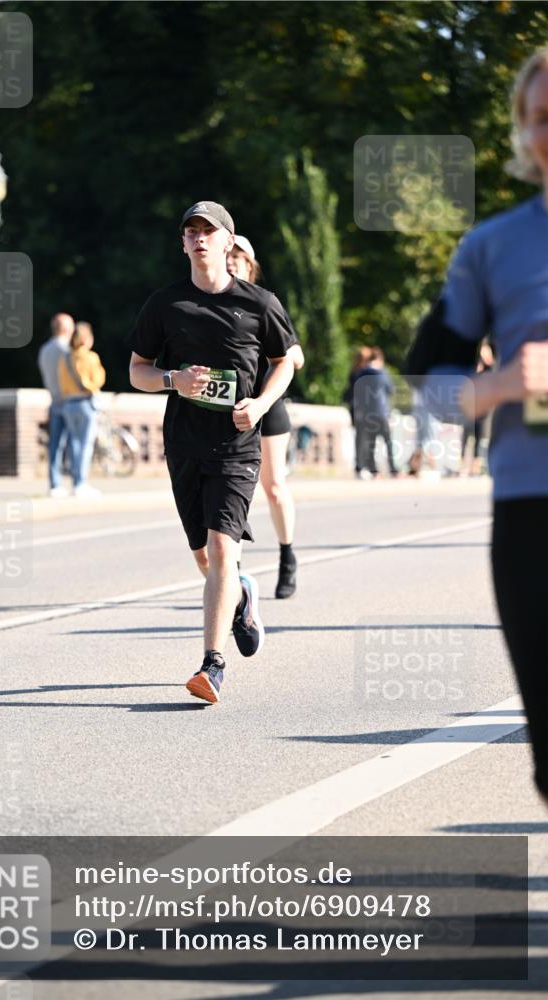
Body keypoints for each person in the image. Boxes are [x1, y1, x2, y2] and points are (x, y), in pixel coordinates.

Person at [409, 48, 548, 802]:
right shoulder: (489, 248)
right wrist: (499, 385)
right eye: (539, 118)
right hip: (531, 513)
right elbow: (428, 394)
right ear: (523, 137)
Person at [129, 201, 297, 704]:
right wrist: (171, 380)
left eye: (209, 231)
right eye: (191, 231)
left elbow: (284, 362)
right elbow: (136, 370)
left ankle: (212, 665)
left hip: (237, 446)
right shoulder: (165, 305)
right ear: (183, 243)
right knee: (204, 556)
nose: (200, 238)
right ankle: (243, 596)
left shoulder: (259, 303)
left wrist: (262, 403)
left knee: (224, 549)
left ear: (229, 242)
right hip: (183, 443)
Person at [226, 235, 305, 598]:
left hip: (268, 404)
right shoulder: (212, 304)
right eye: (228, 256)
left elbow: (295, 355)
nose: (232, 262)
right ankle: (233, 574)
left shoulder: (264, 303)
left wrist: (286, 356)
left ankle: (287, 556)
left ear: (250, 266)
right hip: (231, 408)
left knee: (272, 487)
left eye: (239, 258)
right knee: (230, 493)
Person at [58, 321, 106, 498]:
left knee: (73, 444)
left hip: (68, 404)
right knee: (85, 445)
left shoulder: (65, 358)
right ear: (86, 338)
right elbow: (98, 380)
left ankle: (75, 482)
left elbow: (61, 382)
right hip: (85, 403)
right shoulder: (90, 357)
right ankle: (81, 483)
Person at [38, 313, 74, 497]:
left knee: (55, 445)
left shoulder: (45, 349)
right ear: (66, 329)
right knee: (74, 444)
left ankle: (55, 484)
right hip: (70, 400)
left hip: (54, 400)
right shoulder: (66, 350)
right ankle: (77, 482)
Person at [352, 347, 398, 478]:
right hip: (382, 412)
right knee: (388, 442)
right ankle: (393, 470)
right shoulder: (383, 373)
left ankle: (373, 470)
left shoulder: (360, 373)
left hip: (366, 413)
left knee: (370, 442)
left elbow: (356, 392)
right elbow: (391, 390)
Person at [460, 341, 494, 476]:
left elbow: (492, 366)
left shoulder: (488, 369)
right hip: (469, 404)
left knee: (478, 436)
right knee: (465, 435)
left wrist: (486, 356)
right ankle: (463, 465)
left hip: (481, 404)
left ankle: (475, 466)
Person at [343, 346, 373, 475]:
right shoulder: (364, 373)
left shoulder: (354, 371)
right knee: (364, 438)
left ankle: (360, 465)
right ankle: (362, 465)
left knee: (360, 437)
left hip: (355, 408)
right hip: (363, 408)